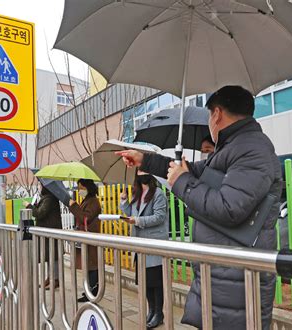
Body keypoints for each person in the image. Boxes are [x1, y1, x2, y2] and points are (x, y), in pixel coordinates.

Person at [116, 85, 281, 329]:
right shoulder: (233, 147)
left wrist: (182, 182)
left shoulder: (252, 149)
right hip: (222, 273)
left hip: (236, 279)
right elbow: (193, 172)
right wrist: (146, 160)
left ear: (216, 114)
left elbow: (230, 208)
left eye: (209, 118)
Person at [120, 171, 168, 328]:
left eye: (144, 170)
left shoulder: (158, 193)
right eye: (139, 171)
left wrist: (138, 220)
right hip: (139, 244)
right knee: (145, 282)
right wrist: (124, 201)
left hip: (153, 243)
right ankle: (151, 310)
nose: (141, 173)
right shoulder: (136, 193)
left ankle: (159, 313)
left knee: (156, 282)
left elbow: (159, 217)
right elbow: (130, 214)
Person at [23, 184, 63, 290]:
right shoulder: (47, 198)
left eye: (41, 186)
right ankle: (51, 277)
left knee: (53, 255)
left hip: (51, 231)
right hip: (48, 232)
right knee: (50, 255)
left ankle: (55, 279)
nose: (40, 188)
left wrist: (29, 206)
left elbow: (39, 213)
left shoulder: (49, 199)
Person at [68, 179, 101, 302]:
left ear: (88, 187)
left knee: (92, 265)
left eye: (81, 188)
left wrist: (74, 206)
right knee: (87, 265)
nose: (79, 190)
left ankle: (93, 292)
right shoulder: (87, 200)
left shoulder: (93, 201)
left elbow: (85, 218)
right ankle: (89, 291)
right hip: (86, 237)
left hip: (91, 237)